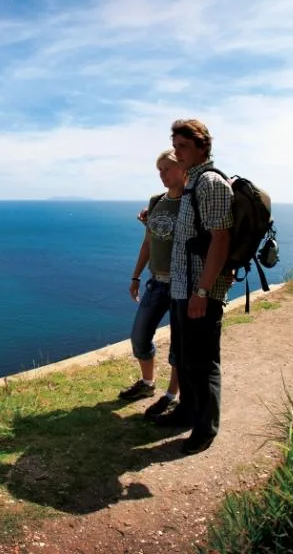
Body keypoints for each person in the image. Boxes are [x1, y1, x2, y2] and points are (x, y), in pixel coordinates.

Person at [153, 118, 235, 456]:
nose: (178, 152)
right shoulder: (192, 182)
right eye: (175, 146)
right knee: (185, 358)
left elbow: (221, 238)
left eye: (183, 146)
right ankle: (187, 412)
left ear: (203, 146)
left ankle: (205, 428)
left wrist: (202, 291)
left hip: (199, 290)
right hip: (182, 288)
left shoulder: (211, 183)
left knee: (203, 362)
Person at [119, 149, 183, 420]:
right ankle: (147, 384)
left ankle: (171, 395)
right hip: (156, 282)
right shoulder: (156, 201)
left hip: (183, 284)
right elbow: (148, 243)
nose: (162, 175)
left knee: (180, 345)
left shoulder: (192, 202)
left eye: (167, 169)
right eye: (159, 170)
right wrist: (135, 277)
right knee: (139, 337)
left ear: (183, 169)